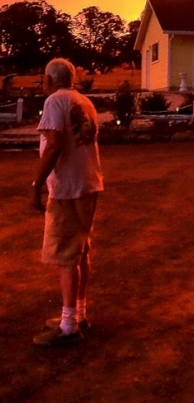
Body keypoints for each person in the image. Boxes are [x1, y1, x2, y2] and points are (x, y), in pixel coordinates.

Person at [30, 58, 104, 346]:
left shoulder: (54, 102)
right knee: (80, 251)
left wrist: (37, 186)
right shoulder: (84, 101)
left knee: (65, 255)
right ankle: (78, 313)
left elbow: (54, 146)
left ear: (50, 78)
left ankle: (67, 324)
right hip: (89, 183)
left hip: (67, 188)